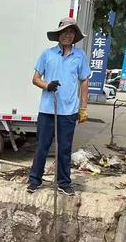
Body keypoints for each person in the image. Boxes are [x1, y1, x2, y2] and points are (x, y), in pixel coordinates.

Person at [27, 17, 91, 196]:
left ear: (74, 36)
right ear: (59, 35)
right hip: (48, 110)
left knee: (64, 148)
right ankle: (34, 180)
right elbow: (35, 79)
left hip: (68, 111)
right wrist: (47, 85)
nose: (67, 35)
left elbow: (85, 80)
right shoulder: (47, 54)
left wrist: (83, 108)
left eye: (71, 32)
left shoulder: (80, 56)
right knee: (42, 147)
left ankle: (63, 182)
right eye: (64, 32)